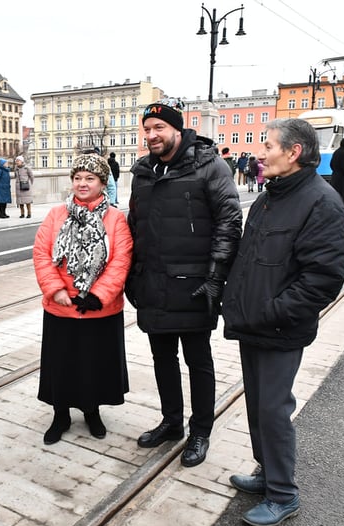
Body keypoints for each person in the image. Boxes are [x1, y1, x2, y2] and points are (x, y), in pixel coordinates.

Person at [222, 118, 344, 526]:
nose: (261, 153)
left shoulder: (321, 202)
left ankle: (283, 494)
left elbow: (323, 279)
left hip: (279, 326)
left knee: (274, 410)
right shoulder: (270, 197)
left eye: (268, 145)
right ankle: (267, 473)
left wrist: (270, 310)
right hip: (254, 322)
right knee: (258, 407)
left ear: (294, 152)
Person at [126, 102, 242, 467]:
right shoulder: (143, 171)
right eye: (147, 129)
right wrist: (132, 275)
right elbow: (134, 225)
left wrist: (215, 276)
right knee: (162, 358)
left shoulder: (209, 164)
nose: (151, 135)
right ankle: (172, 422)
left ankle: (201, 431)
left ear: (177, 129)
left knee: (198, 360)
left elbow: (229, 220)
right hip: (154, 281)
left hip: (194, 283)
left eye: (158, 127)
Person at [33, 153, 132, 445]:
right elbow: (42, 255)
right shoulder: (56, 215)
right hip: (60, 306)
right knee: (61, 364)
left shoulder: (115, 219)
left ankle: (92, 411)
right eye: (77, 178)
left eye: (89, 178)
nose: (82, 183)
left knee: (94, 364)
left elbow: (121, 260)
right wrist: (56, 290)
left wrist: (99, 295)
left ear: (103, 182)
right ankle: (60, 414)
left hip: (99, 308)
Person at [329, 138, 344, 205]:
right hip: (342, 178)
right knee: (343, 195)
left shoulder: (336, 152)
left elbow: (331, 164)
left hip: (335, 176)